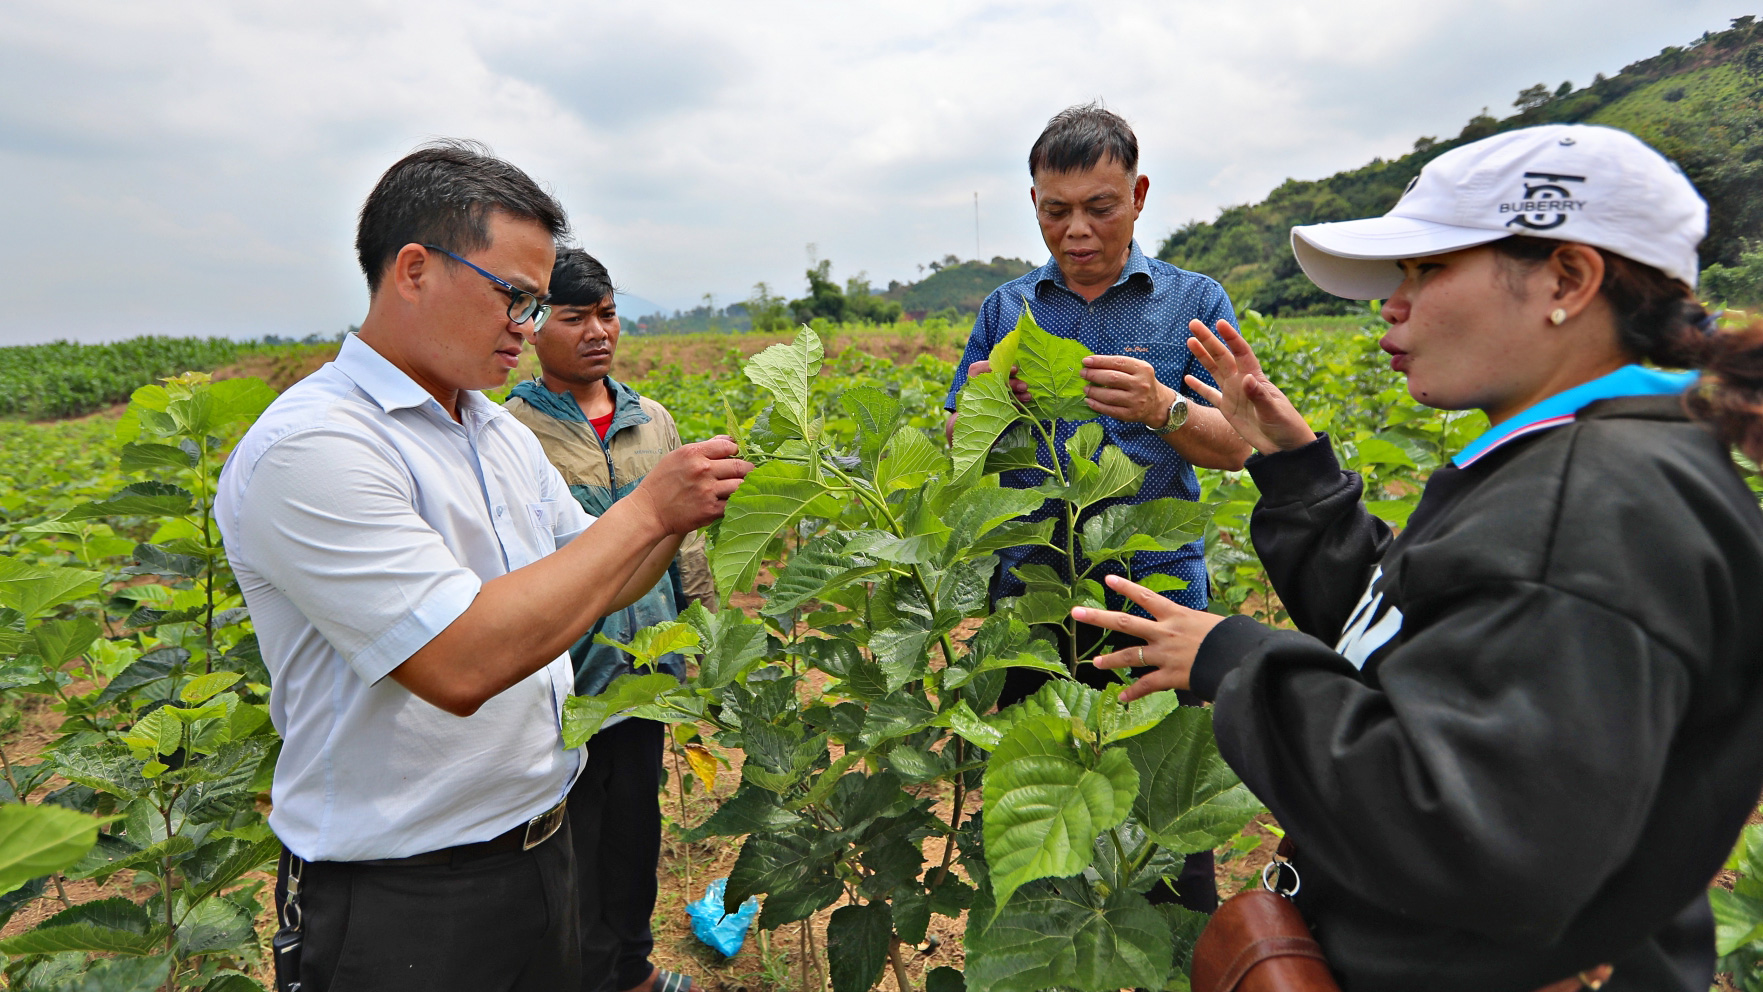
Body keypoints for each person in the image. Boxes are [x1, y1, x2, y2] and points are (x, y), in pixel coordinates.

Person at [1073, 123, 1763, 990]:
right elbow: (1419, 638)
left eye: (1427, 270)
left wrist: (1236, 659)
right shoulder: (1591, 465)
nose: (1393, 306)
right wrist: (1297, 481)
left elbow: (1464, 829)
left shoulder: (1591, 505)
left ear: (1568, 278)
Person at [215, 140, 752, 992]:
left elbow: (596, 573)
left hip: (542, 848)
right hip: (407, 898)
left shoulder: (492, 432)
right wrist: (649, 507)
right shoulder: (314, 445)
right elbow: (461, 662)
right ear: (415, 269)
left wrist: (681, 514)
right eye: (515, 298)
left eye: (537, 305)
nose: (527, 327)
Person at [943, 102, 1250, 912]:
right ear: (1035, 205)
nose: (1076, 231)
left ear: (1139, 195)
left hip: (1154, 600)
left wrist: (1162, 408)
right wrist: (980, 407)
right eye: (1056, 211)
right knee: (1038, 806)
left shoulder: (1190, 299)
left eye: (1099, 207)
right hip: (1033, 597)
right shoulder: (1007, 310)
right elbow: (955, 440)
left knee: (1161, 819)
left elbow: (1236, 447)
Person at [503, 247, 711, 992]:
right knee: (568, 845)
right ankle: (584, 975)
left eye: (607, 313)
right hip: (565, 682)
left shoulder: (651, 420)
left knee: (633, 837)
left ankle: (631, 971)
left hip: (646, 679)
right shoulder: (513, 434)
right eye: (574, 316)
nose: (597, 331)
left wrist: (706, 639)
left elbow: (684, 548)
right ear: (532, 325)